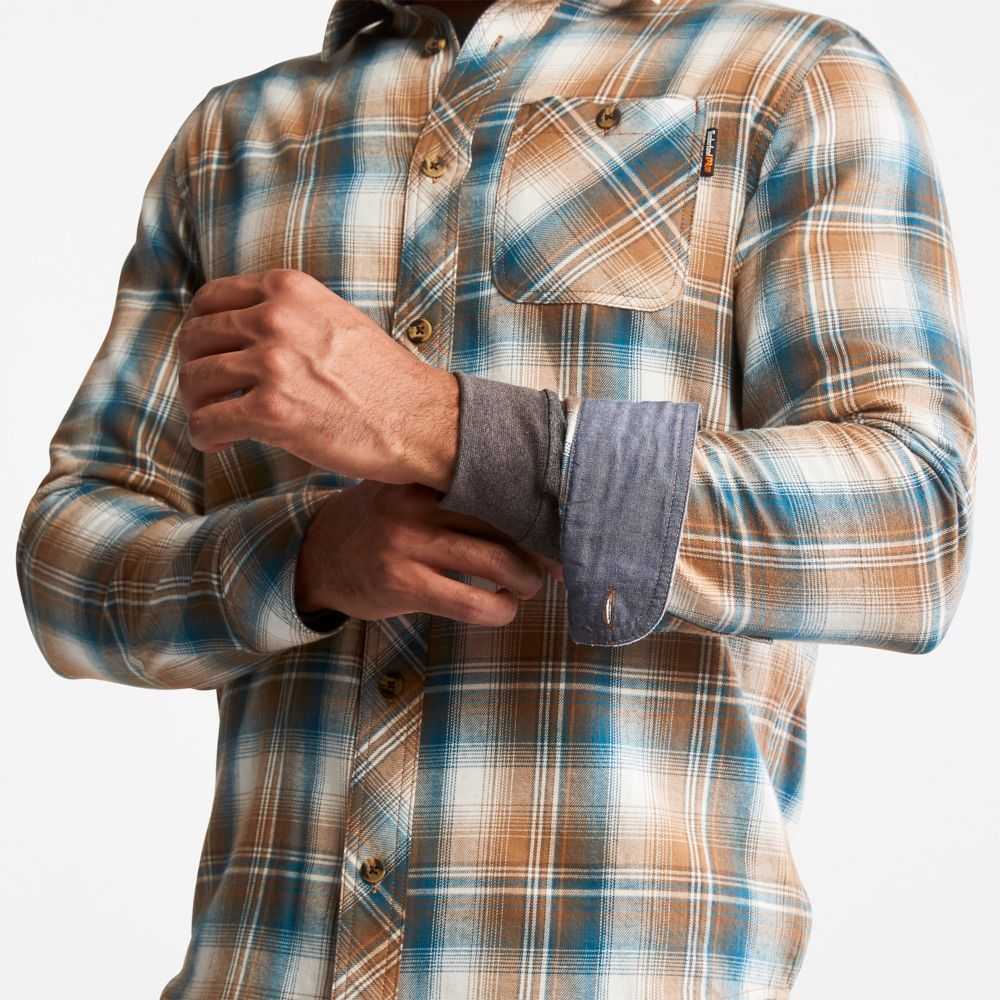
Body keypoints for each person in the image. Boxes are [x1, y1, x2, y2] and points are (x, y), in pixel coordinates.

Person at [15, 0, 977, 997]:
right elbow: (66, 564)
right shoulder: (234, 141)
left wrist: (448, 427)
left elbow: (912, 522)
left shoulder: (785, 82)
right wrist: (309, 559)